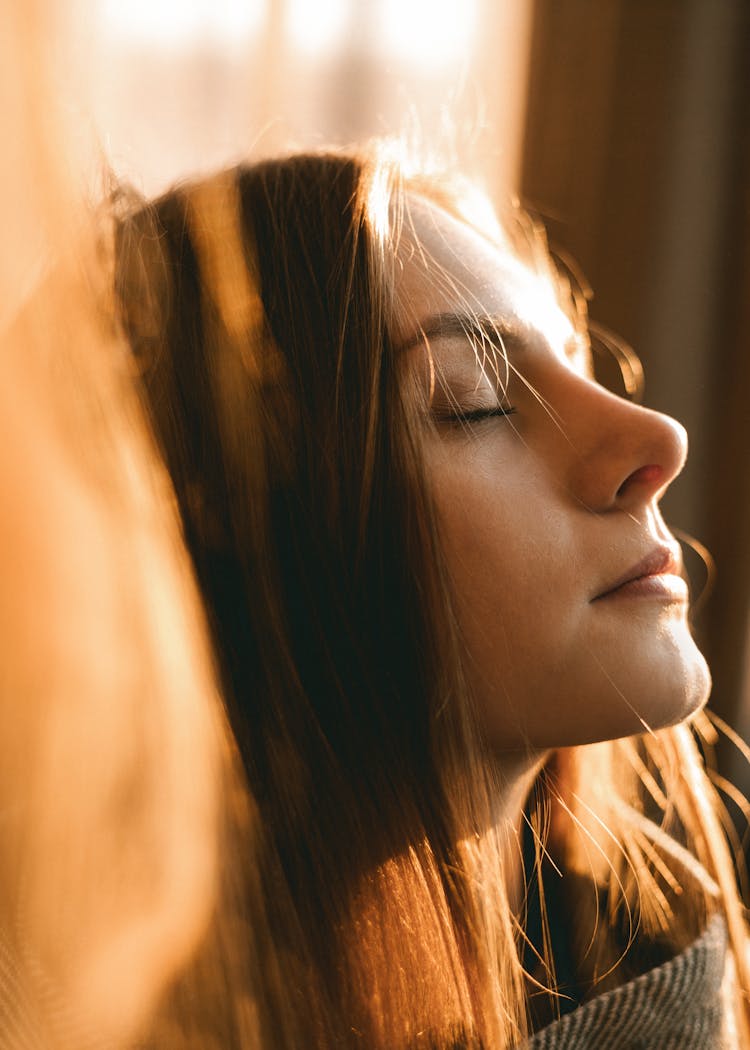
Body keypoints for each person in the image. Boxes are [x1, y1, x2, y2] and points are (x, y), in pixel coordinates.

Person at [114, 146, 749, 1049]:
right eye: (477, 398)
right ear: (249, 540)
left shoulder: (674, 970)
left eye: (577, 365)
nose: (656, 438)